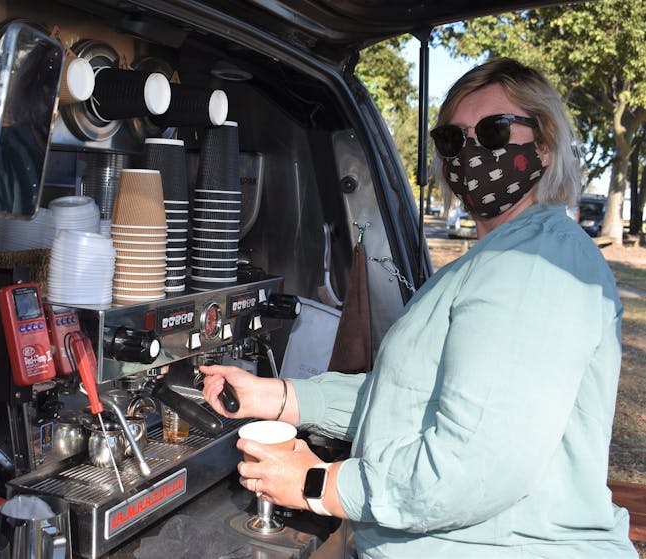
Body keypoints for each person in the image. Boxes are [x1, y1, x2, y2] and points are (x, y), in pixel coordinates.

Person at [202, 57, 636, 558]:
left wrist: (318, 485)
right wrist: (278, 397)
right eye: (453, 140)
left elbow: (474, 467)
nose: (471, 152)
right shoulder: (492, 261)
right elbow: (406, 400)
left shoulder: (536, 263)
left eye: (494, 132)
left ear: (543, 143)